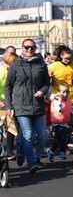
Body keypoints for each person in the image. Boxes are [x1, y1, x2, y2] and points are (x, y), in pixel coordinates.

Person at [4, 39, 49, 173]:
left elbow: (47, 83)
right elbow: (8, 87)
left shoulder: (41, 64)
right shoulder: (15, 65)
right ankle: (31, 163)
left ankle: (22, 151)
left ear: (35, 49)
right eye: (26, 47)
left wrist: (43, 91)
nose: (29, 50)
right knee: (28, 135)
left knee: (42, 136)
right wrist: (9, 106)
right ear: (22, 49)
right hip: (21, 105)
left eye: (32, 48)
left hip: (38, 105)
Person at [47, 83, 73, 161]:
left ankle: (51, 151)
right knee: (61, 137)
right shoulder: (56, 98)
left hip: (64, 121)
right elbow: (51, 97)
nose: (65, 94)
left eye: (66, 92)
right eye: (63, 92)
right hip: (57, 121)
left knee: (58, 138)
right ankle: (62, 151)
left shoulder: (68, 99)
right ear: (58, 92)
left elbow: (72, 106)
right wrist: (57, 97)